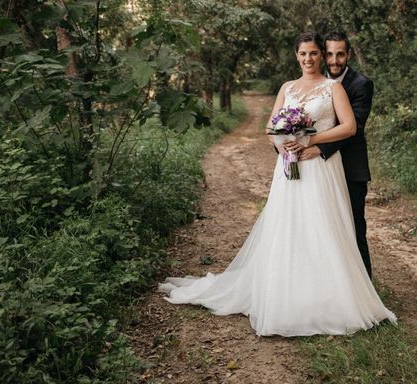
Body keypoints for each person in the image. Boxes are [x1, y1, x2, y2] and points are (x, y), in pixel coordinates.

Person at [158, 31, 395, 337]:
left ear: (321, 55)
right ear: (296, 56)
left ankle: (331, 294)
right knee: (290, 226)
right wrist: (282, 144)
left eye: (313, 53)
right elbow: (271, 127)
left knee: (324, 227)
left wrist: (311, 140)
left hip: (321, 168)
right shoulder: (287, 87)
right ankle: (287, 290)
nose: (308, 59)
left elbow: (349, 128)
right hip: (290, 166)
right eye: (302, 54)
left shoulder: (334, 88)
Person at [298, 30, 374, 278]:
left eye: (339, 54)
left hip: (350, 168)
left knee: (353, 227)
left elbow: (354, 128)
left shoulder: (361, 85)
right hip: (317, 170)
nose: (334, 60)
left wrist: (319, 146)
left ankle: (365, 287)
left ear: (348, 54)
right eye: (329, 54)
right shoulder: (310, 83)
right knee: (321, 229)